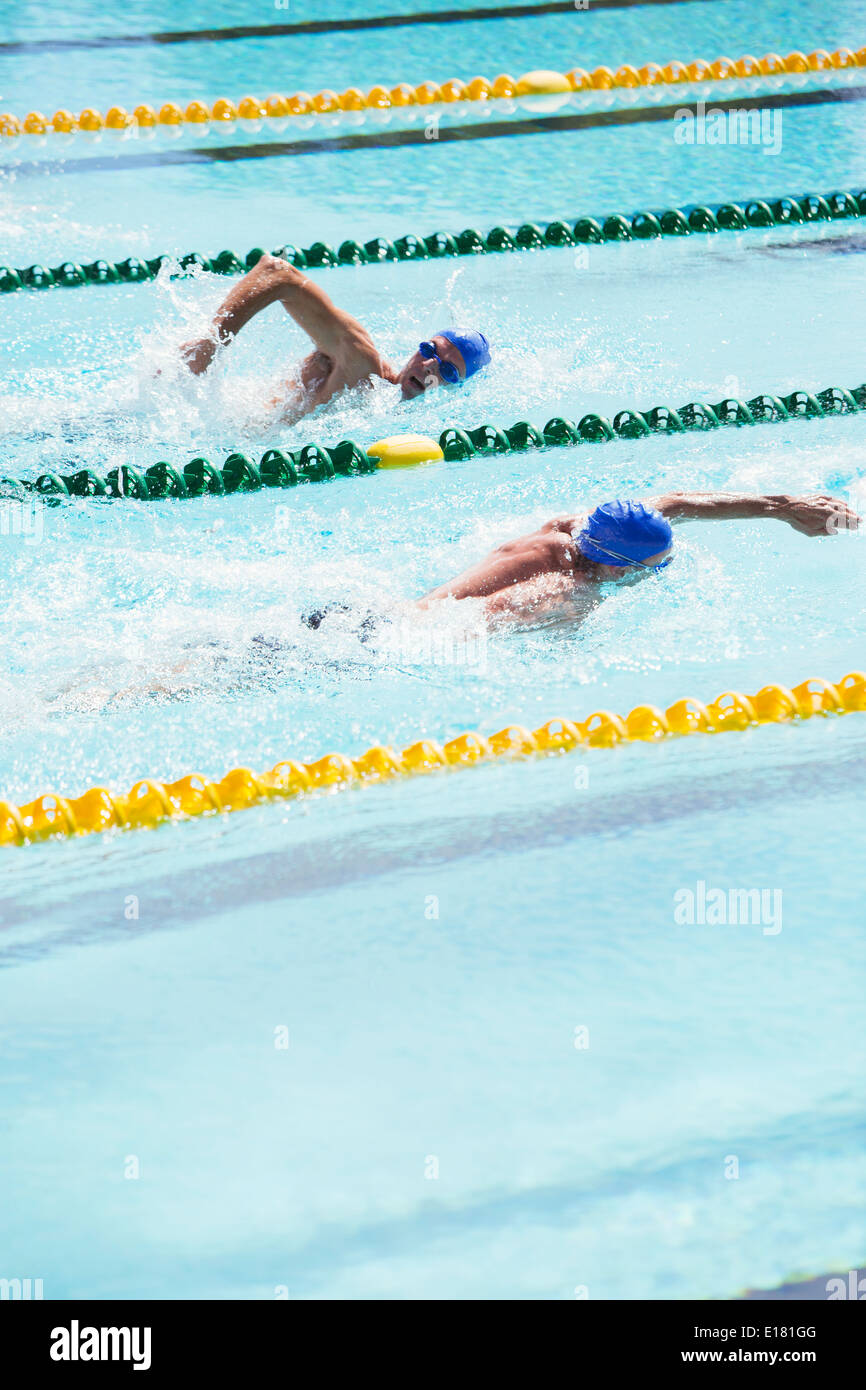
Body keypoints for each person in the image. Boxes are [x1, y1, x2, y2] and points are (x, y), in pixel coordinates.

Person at [417, 491, 861, 625]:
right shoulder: (565, 588)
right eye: (659, 566)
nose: (664, 570)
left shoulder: (581, 526)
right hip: (403, 631)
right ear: (614, 567)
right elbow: (467, 627)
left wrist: (782, 507)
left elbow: (678, 502)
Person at [180, 252, 490, 422]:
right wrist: (212, 343)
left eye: (447, 370)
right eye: (429, 350)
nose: (428, 367)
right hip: (191, 413)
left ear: (456, 389)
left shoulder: (389, 412)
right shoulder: (362, 363)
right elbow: (277, 272)